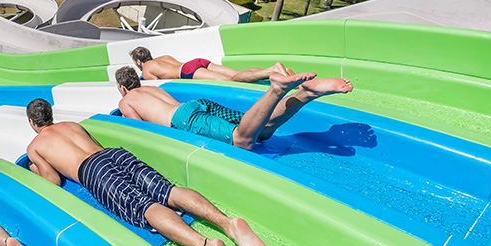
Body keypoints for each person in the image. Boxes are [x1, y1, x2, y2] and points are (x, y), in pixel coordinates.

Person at [25, 98, 275, 246]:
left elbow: (52, 180)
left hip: (93, 171)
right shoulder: (72, 125)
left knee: (145, 207)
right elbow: (96, 146)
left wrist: (36, 169)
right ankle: (228, 224)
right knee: (168, 191)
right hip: (115, 155)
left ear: (33, 123)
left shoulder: (35, 145)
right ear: (51, 115)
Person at [115, 66, 353, 150]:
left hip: (184, 118)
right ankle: (306, 93)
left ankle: (277, 89)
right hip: (195, 105)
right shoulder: (154, 89)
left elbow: (139, 128)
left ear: (121, 87)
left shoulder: (126, 101)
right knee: (261, 130)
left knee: (242, 140)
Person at [129, 46, 287, 82]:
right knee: (235, 74)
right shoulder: (163, 57)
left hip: (188, 71)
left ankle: (272, 70)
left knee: (231, 81)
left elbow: (158, 86)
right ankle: (272, 71)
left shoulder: (147, 69)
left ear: (138, 61)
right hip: (196, 62)